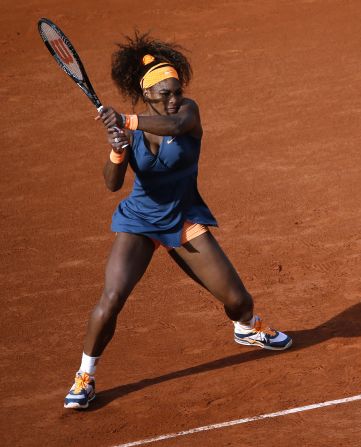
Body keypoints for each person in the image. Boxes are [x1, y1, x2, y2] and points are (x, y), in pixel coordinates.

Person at [64, 33, 292, 410]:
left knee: (238, 300)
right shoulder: (131, 133)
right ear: (148, 94)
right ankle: (85, 376)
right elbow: (111, 184)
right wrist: (117, 150)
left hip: (184, 218)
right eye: (165, 94)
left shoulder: (187, 114)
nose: (173, 99)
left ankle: (247, 328)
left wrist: (127, 119)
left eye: (176, 91)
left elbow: (172, 125)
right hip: (139, 222)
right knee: (111, 299)